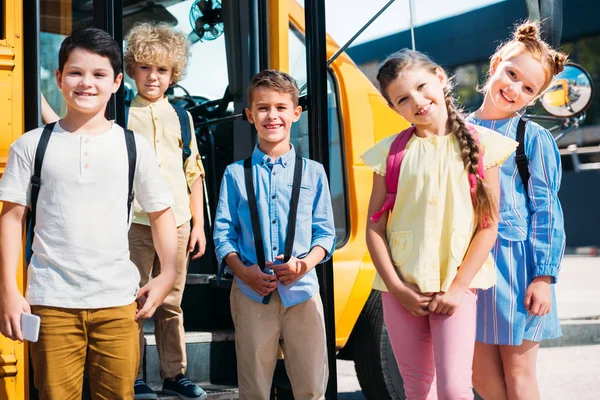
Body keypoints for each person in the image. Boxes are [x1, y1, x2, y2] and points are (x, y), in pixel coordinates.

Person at [0, 28, 177, 399]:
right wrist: (9, 292)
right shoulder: (32, 145)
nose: (86, 83)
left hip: (118, 303)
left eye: (98, 75)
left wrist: (167, 275)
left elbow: (162, 213)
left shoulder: (133, 146)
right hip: (50, 304)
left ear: (115, 83)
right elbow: (12, 218)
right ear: (60, 78)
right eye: (76, 73)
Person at [362, 49, 517, 400]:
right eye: (403, 98)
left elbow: (488, 226)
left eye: (421, 86)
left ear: (440, 77)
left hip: (456, 290)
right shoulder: (387, 154)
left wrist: (458, 288)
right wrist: (398, 289)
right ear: (394, 108)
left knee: (453, 390)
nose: (416, 100)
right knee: (418, 390)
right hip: (401, 291)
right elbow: (374, 229)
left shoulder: (482, 146)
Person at [213, 69, 336, 400]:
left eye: (281, 107)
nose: (273, 116)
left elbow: (325, 235)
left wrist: (304, 265)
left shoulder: (314, 172)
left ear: (295, 113)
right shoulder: (235, 174)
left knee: (311, 389)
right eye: (263, 108)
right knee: (254, 389)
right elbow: (223, 234)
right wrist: (245, 273)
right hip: (252, 294)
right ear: (250, 115)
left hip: (303, 293)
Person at [467, 21, 567, 400]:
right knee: (479, 374)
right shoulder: (454, 131)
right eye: (512, 74)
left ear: (535, 97)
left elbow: (548, 211)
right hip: (470, 269)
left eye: (528, 88)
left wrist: (544, 276)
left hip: (519, 267)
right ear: (495, 65)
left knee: (519, 375)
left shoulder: (532, 139)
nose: (514, 89)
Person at [123, 22, 207, 400]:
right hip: (135, 222)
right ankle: (134, 375)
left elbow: (193, 173)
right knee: (134, 300)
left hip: (177, 222)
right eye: (145, 67)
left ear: (174, 75)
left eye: (161, 70)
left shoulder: (182, 117)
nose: (153, 76)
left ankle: (175, 376)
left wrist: (198, 226)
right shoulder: (120, 111)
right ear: (131, 69)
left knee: (171, 301)